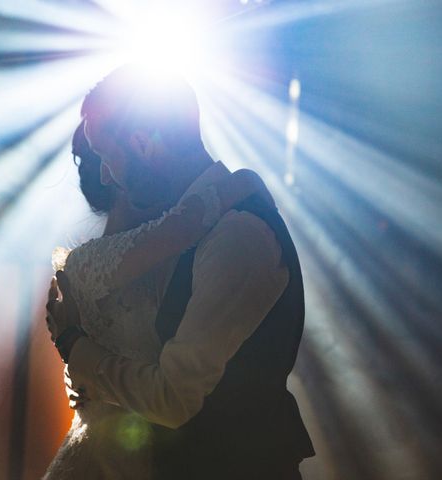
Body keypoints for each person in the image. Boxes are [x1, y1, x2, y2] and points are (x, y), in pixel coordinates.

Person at [47, 65, 315, 479]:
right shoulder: (194, 228)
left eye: (108, 155)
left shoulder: (239, 235)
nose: (107, 174)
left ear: (142, 144)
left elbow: (173, 397)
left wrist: (74, 345)